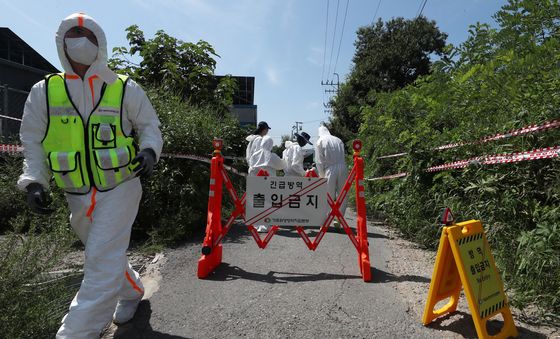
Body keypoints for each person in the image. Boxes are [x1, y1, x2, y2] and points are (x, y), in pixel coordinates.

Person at [17, 13, 163, 338]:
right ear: (60, 43)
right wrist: (34, 181)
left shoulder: (124, 87)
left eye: (87, 34)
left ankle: (76, 332)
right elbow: (32, 140)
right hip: (77, 190)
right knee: (103, 253)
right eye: (73, 33)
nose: (80, 40)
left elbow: (149, 126)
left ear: (100, 42)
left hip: (122, 186)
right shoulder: (45, 91)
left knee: (99, 260)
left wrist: (150, 150)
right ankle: (131, 291)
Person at [249, 135, 285, 232]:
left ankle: (256, 225)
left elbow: (251, 168)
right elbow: (281, 165)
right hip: (269, 184)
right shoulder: (271, 155)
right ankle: (265, 226)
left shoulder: (255, 155)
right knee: (268, 203)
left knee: (258, 203)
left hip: (256, 182)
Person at [315, 126, 348, 229]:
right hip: (343, 167)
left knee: (327, 195)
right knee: (342, 194)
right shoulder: (338, 140)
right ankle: (339, 218)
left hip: (330, 169)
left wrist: (321, 175)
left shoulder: (320, 141)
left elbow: (319, 161)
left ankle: (324, 221)